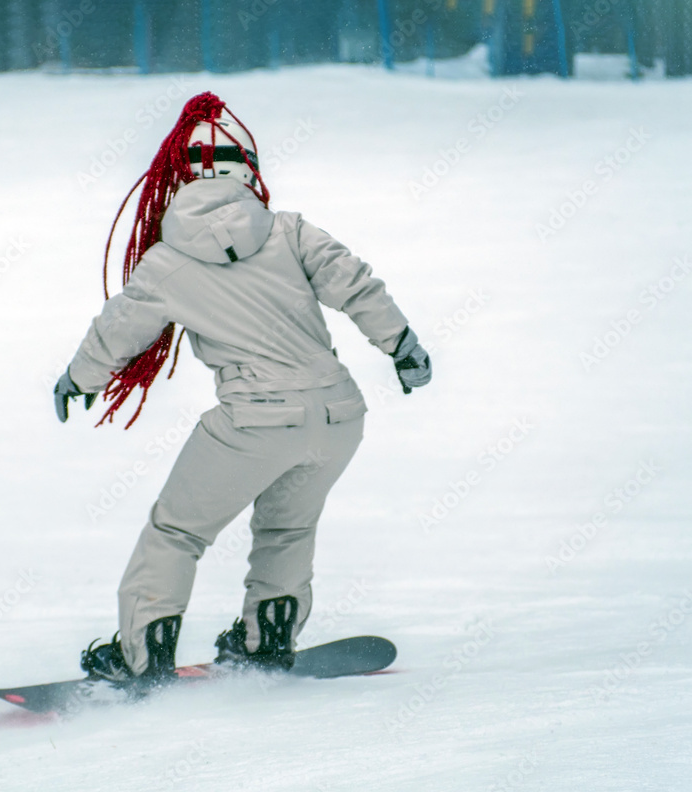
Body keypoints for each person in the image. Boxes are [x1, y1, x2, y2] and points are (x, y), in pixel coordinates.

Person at [54, 92, 430, 687]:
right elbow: (355, 284)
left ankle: (141, 658)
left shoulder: (166, 261)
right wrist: (403, 345)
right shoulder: (290, 231)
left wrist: (80, 377)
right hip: (338, 414)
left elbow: (119, 328)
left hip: (255, 420)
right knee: (288, 529)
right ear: (248, 174)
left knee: (177, 532)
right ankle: (268, 639)